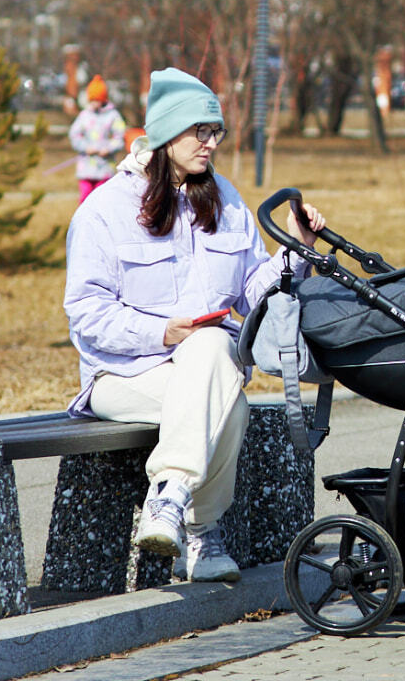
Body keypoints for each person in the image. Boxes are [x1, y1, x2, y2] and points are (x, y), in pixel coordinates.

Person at [63, 67, 326, 583]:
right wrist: (163, 333)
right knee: (226, 391)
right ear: (165, 133)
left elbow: (254, 293)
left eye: (216, 132)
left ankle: (170, 498)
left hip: (204, 366)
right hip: (123, 375)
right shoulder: (104, 211)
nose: (210, 143)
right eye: (199, 131)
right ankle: (203, 534)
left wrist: (297, 249)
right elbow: (86, 314)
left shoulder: (224, 199)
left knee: (211, 356)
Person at [69, 74, 128, 204]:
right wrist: (85, 147)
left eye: (97, 99)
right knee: (85, 198)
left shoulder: (113, 116)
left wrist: (109, 148)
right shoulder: (84, 115)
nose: (94, 103)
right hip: (86, 167)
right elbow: (74, 134)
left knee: (102, 199)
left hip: (105, 168)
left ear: (103, 99)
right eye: (92, 100)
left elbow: (120, 136)